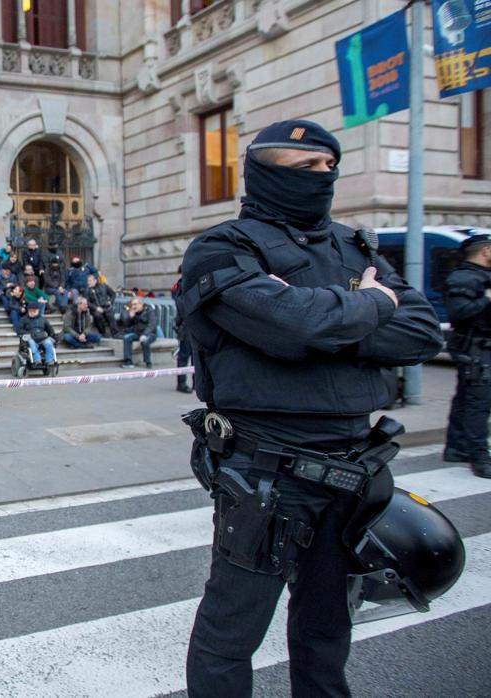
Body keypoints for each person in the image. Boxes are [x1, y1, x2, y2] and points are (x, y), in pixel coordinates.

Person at [178, 120, 442, 697]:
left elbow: (421, 331)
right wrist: (369, 304)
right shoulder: (223, 248)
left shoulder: (356, 245)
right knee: (231, 632)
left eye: (328, 166)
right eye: (304, 168)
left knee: (327, 630)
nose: (323, 177)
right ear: (265, 173)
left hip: (355, 468)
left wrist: (329, 324)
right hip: (267, 474)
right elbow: (292, 324)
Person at [442, 232, 491, 478]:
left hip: (482, 348)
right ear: (486, 252)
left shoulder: (482, 277)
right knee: (477, 404)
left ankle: (456, 448)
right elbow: (460, 313)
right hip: (475, 349)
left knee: (466, 399)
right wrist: (487, 298)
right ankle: (480, 458)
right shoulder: (463, 278)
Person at [17, 302, 57, 369]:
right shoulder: (23, 319)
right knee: (32, 343)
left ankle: (49, 361)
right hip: (30, 338)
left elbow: (50, 329)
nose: (32, 312)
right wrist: (27, 333)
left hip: (42, 338)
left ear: (38, 311)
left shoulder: (43, 319)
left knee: (49, 343)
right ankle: (37, 360)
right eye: (30, 311)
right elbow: (19, 330)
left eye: (34, 311)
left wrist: (53, 336)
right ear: (28, 311)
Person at [173, 265, 193, 393]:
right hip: (186, 325)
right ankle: (181, 383)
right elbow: (181, 306)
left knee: (196, 357)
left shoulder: (188, 284)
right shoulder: (181, 285)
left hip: (193, 324)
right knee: (184, 356)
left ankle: (197, 383)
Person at [120, 298, 157, 369]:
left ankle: (148, 362)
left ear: (141, 304)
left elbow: (152, 324)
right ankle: (128, 360)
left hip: (150, 333)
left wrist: (145, 334)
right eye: (132, 304)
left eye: (135, 304)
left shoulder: (149, 310)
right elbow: (127, 325)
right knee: (127, 337)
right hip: (137, 332)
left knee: (145, 341)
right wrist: (130, 317)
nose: (133, 306)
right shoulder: (133, 311)